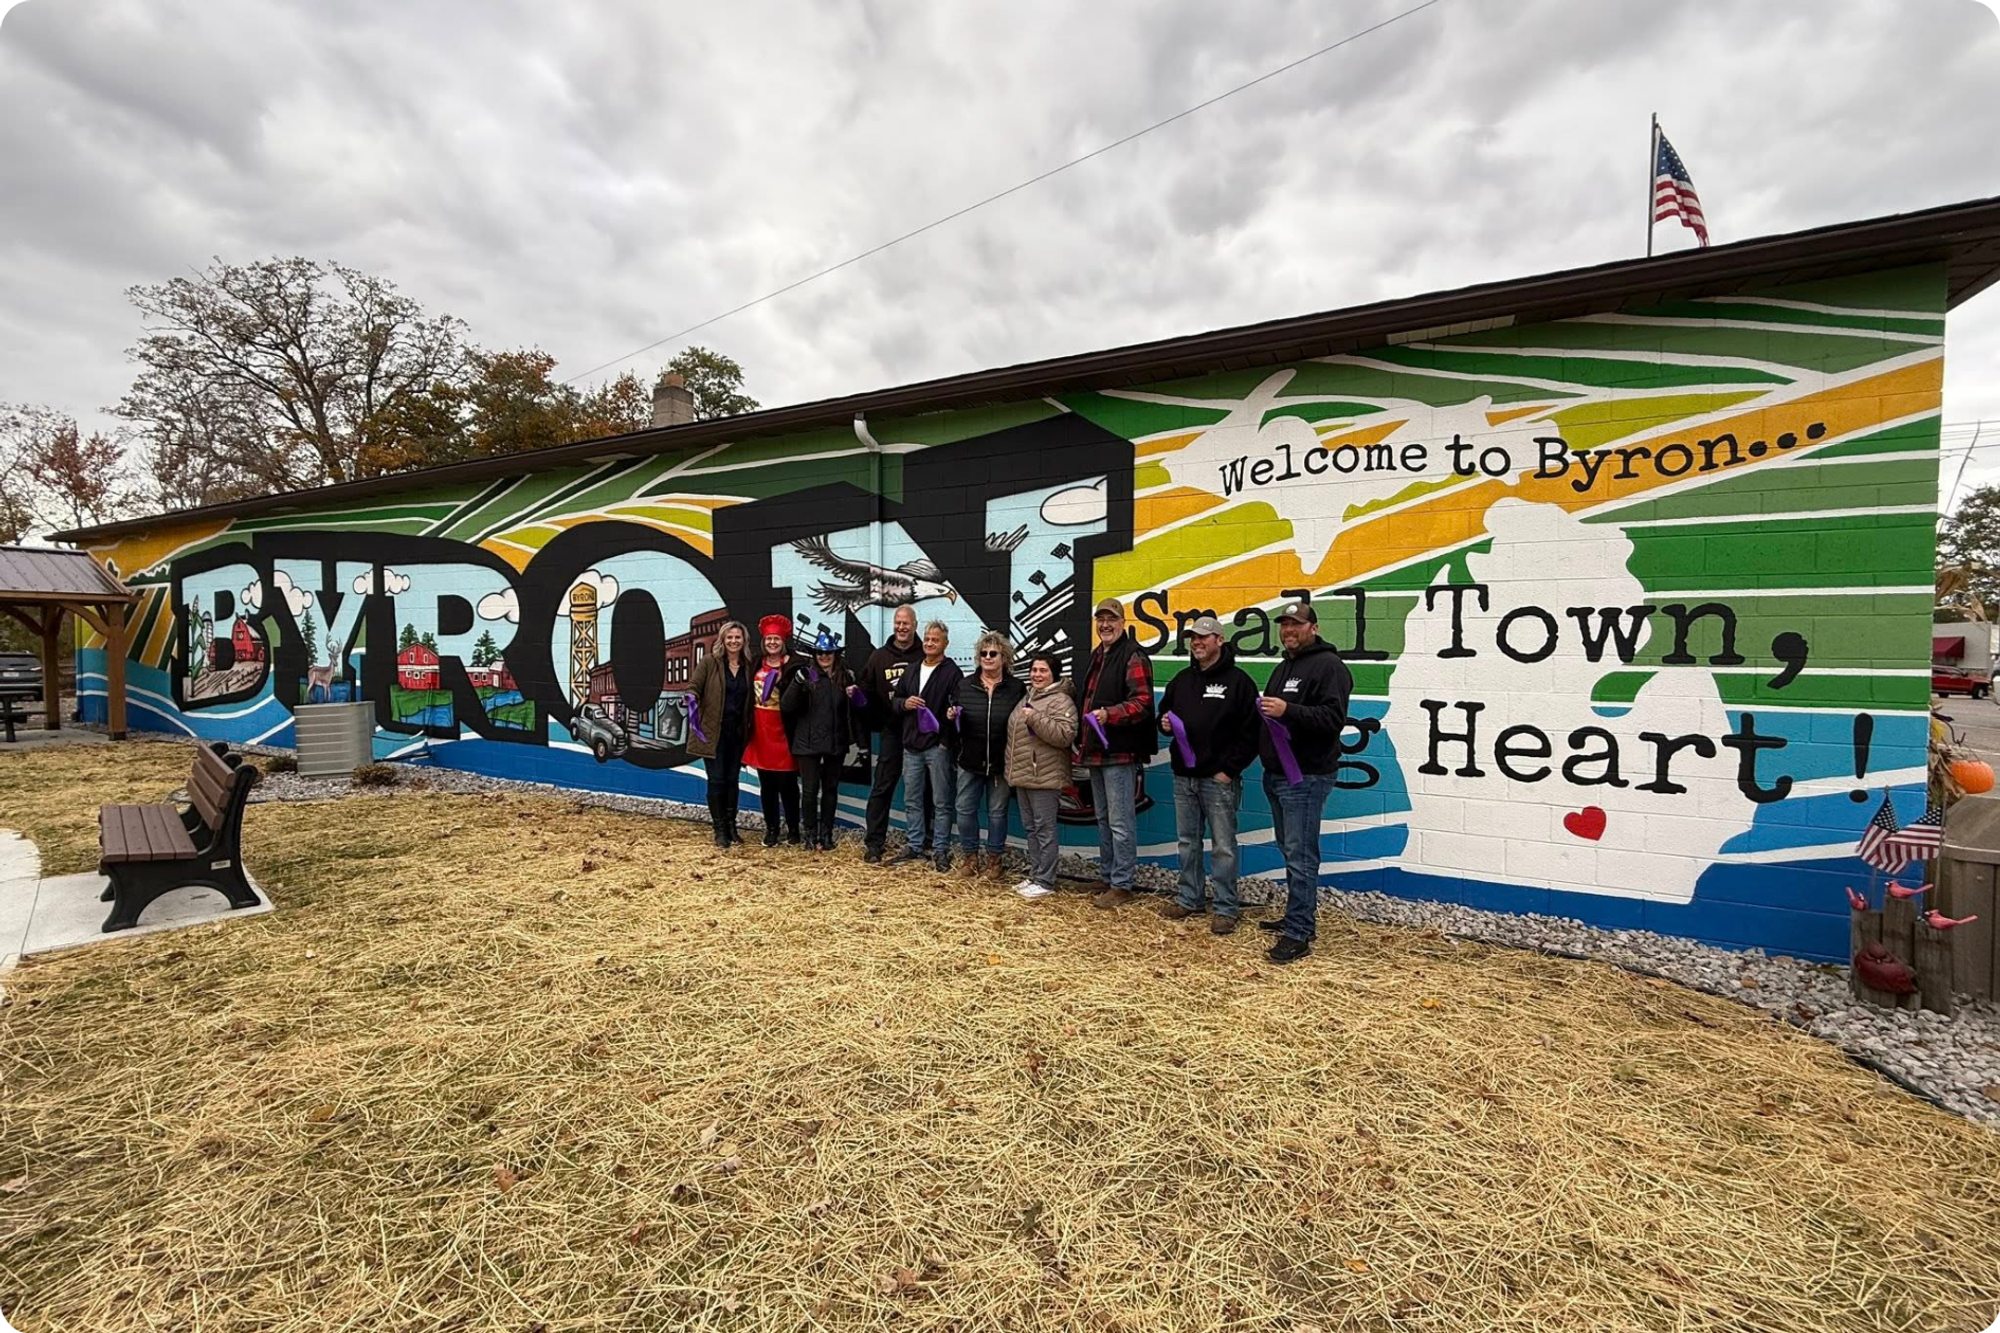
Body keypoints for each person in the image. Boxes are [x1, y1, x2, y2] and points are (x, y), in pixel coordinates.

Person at [1255, 599, 1354, 965]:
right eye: (1285, 625)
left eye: (1296, 624)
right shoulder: (1285, 666)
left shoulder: (1330, 666)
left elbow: (1333, 718)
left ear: (1314, 627)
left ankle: (1298, 933)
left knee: (1301, 855)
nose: (1289, 630)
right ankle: (1297, 916)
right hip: (1278, 775)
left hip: (1306, 777)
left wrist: (1288, 710)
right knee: (1290, 850)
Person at [1156, 615, 1261, 933]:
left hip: (1218, 780)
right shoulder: (1182, 680)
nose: (1197, 642)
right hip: (1184, 777)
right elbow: (1164, 713)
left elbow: (1253, 732)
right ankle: (1190, 899)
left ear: (1220, 640)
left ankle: (1226, 908)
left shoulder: (1239, 682)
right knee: (1187, 842)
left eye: (1204, 637)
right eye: (1193, 638)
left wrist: (1229, 770)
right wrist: (1163, 723)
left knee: (1223, 846)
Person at [1072, 597, 1156, 909]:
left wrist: (1110, 714)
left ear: (1122, 623)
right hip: (1096, 750)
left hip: (1119, 751)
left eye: (1111, 619)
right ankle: (1108, 876)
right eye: (1101, 619)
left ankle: (1122, 884)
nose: (1105, 625)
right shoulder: (1099, 655)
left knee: (1120, 821)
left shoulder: (1133, 655)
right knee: (1104, 817)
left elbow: (1143, 702)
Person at [951, 630, 1026, 881]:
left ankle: (995, 862)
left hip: (1000, 762)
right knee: (964, 810)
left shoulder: (1016, 688)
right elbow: (953, 721)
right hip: (969, 759)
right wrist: (951, 717)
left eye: (993, 653)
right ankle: (970, 859)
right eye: (983, 653)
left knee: (997, 813)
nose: (988, 657)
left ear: (1004, 657)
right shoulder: (965, 685)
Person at [857, 605, 928, 864]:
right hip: (892, 732)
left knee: (925, 790)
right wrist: (856, 695)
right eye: (898, 622)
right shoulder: (879, 657)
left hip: (920, 733)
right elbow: (864, 690)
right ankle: (874, 844)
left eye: (906, 623)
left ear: (915, 625)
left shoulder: (925, 654)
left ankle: (925, 843)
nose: (901, 627)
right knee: (882, 787)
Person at [1004, 650, 1078, 899]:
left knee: (1044, 829)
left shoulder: (1061, 701)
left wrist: (1035, 717)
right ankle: (1036, 875)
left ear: (1053, 674)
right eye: (1034, 670)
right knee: (1031, 828)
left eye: (1043, 670)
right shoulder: (1029, 696)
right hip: (1025, 773)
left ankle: (1046, 881)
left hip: (1045, 776)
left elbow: (1065, 736)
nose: (1037, 674)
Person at [889, 619, 961, 871]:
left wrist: (945, 743)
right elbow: (895, 700)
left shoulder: (952, 672)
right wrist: (904, 703)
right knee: (912, 800)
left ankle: (940, 850)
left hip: (937, 748)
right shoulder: (911, 669)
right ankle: (915, 845)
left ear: (945, 644)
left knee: (941, 802)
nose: (930, 643)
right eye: (927, 639)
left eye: (935, 640)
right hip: (911, 746)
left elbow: (957, 709)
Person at [782, 630, 857, 853]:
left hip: (835, 740)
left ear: (835, 654)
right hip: (808, 742)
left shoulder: (845, 677)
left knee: (831, 789)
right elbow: (786, 706)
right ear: (814, 655)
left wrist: (856, 696)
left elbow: (858, 710)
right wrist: (797, 683)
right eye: (820, 653)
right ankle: (810, 835)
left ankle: (826, 834)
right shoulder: (805, 675)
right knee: (809, 791)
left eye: (828, 653)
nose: (824, 656)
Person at [688, 619, 755, 848]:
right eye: (730, 637)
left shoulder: (748, 665)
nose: (734, 641)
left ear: (744, 640)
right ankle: (719, 829)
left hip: (737, 733)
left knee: (732, 780)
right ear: (723, 639)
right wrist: (691, 698)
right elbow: (694, 686)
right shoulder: (710, 662)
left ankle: (731, 826)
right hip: (713, 732)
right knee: (717, 780)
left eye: (738, 637)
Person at [742, 613, 803, 847]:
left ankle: (794, 829)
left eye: (776, 639)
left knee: (788, 785)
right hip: (761, 731)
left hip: (784, 731)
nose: (772, 643)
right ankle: (772, 829)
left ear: (783, 641)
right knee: (766, 785)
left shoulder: (795, 665)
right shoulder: (756, 664)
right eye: (769, 639)